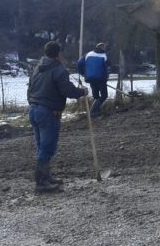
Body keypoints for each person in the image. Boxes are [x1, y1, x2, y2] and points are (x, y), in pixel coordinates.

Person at [27, 41, 88, 194]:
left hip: (34, 109)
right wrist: (82, 92)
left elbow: (30, 88)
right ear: (58, 54)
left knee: (41, 146)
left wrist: (33, 103)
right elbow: (67, 91)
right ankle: (41, 183)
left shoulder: (38, 67)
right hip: (48, 112)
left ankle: (46, 177)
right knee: (47, 148)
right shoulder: (59, 70)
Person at [78, 43, 110, 116]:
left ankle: (96, 112)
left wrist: (83, 73)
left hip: (90, 78)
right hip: (101, 78)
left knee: (96, 96)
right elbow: (108, 67)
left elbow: (79, 63)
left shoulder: (88, 54)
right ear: (102, 48)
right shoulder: (104, 55)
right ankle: (92, 111)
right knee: (104, 95)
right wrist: (106, 77)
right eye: (104, 47)